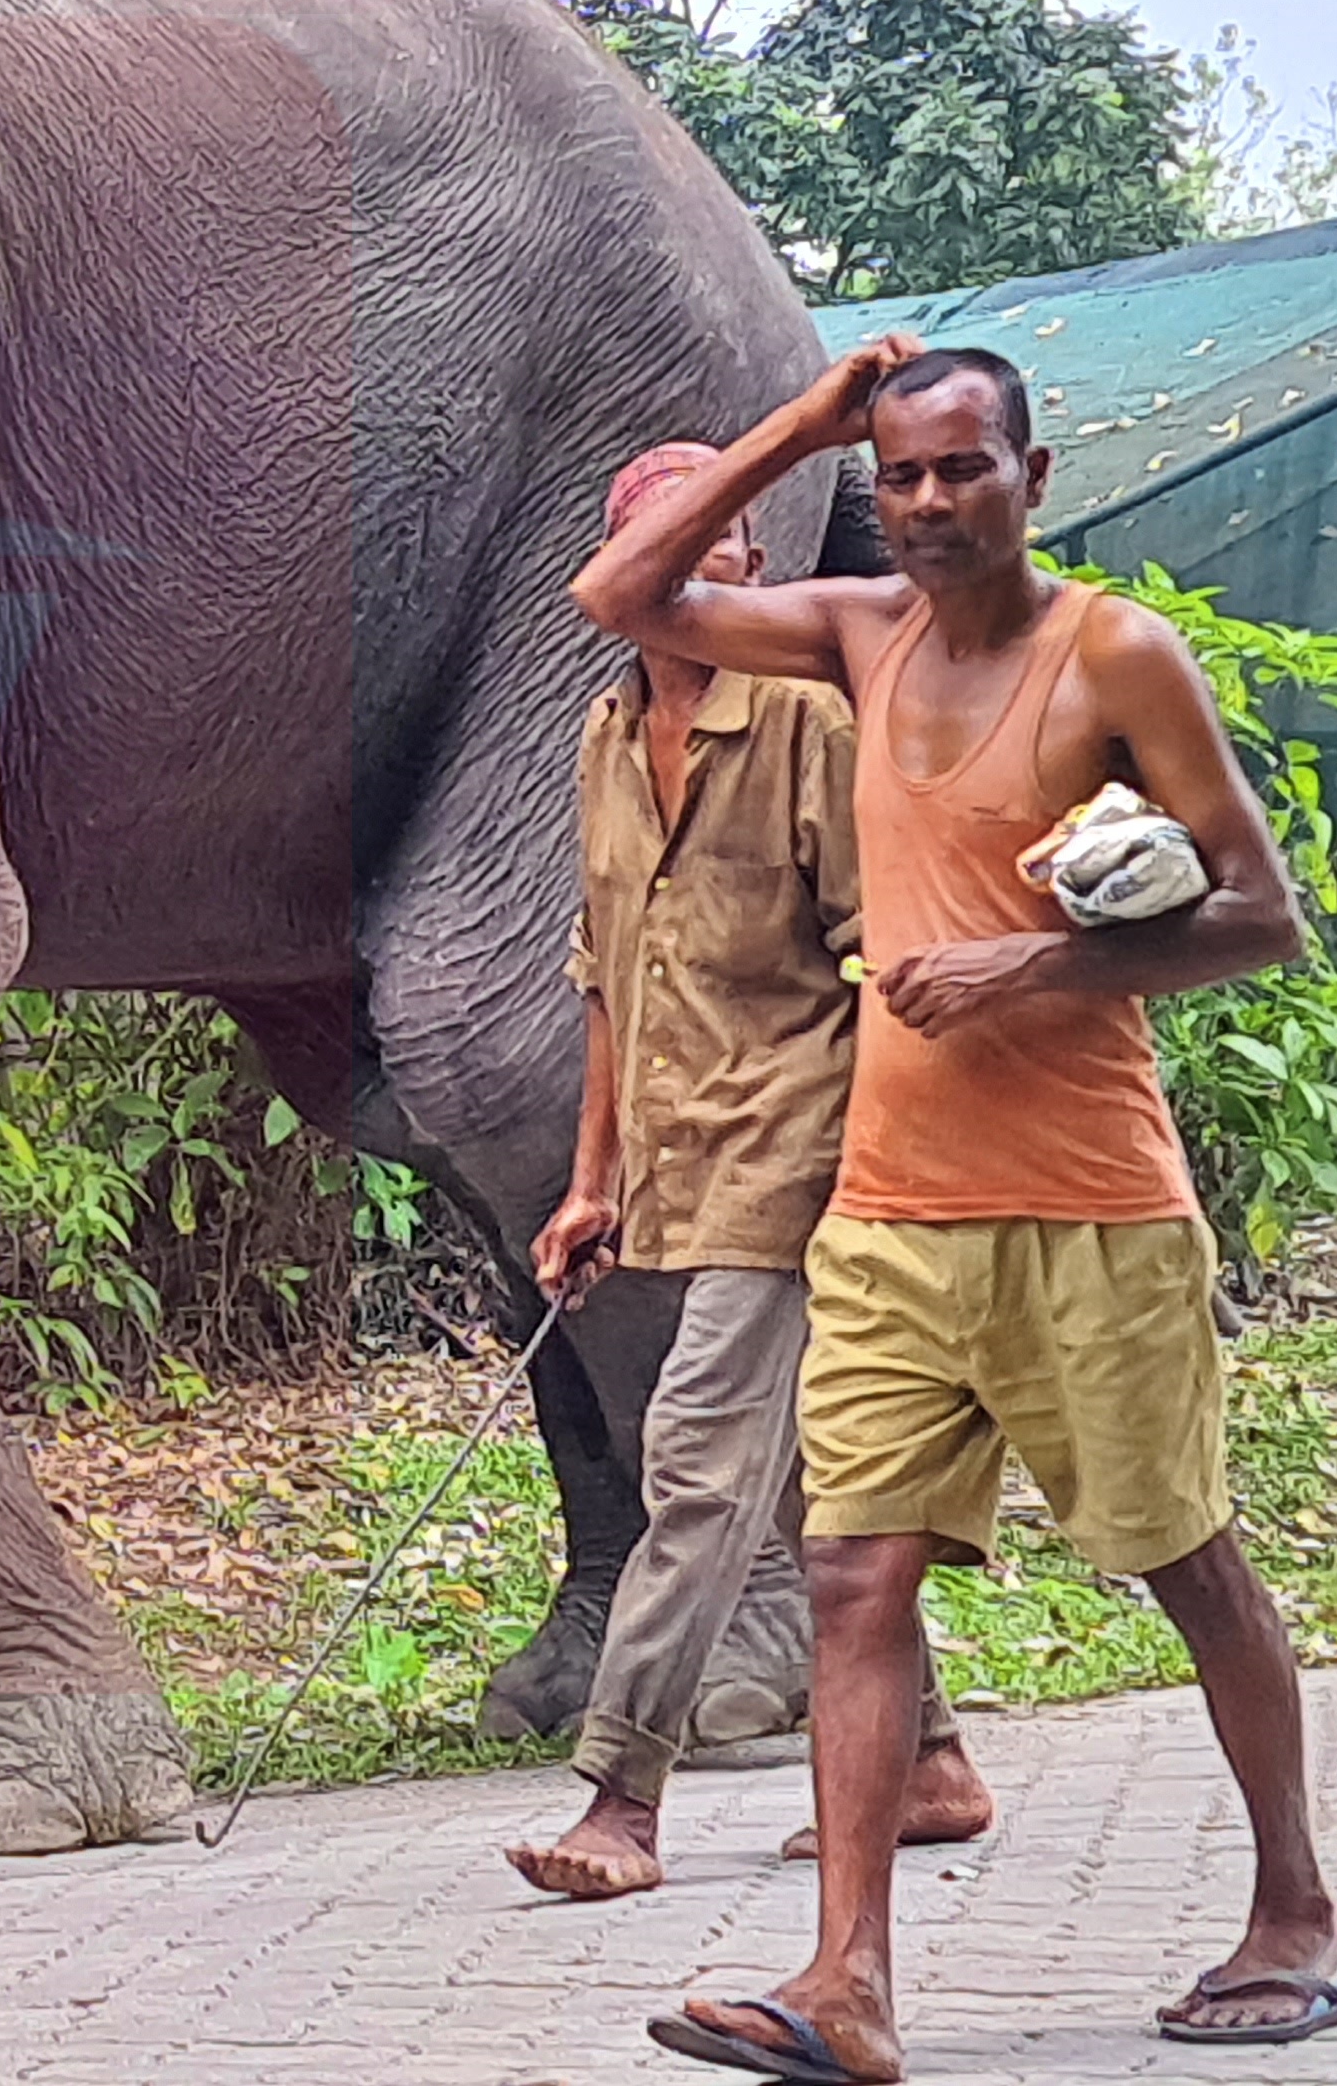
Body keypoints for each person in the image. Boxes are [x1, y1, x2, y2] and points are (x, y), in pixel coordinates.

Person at [568, 340, 1337, 2083]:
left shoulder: (1114, 654)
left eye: (964, 470)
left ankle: (1297, 1913)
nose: (932, 505)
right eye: (903, 477)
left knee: (1185, 1563)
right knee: (854, 1573)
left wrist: (1037, 961)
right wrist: (799, 423)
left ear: (1034, 470)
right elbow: (622, 586)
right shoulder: (861, 633)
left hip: (1089, 1205)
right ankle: (845, 1984)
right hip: (885, 1209)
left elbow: (1260, 918)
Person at [505, 445, 989, 1906]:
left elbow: (887, 954)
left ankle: (620, 1794)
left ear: (751, 574)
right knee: (789, 1485)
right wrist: (591, 1181)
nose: (702, 561)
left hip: (799, 1152)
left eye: (724, 539)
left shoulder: (802, 722)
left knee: (702, 1464)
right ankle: (932, 1763)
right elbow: (605, 977)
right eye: (668, 537)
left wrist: (885, 1156)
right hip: (672, 1162)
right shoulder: (599, 734)